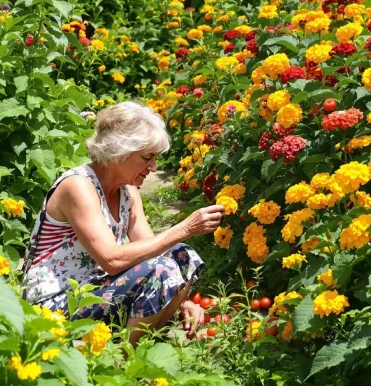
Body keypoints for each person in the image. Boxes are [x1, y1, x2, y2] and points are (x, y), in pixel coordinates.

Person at [22, 101, 223, 343]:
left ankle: (139, 343)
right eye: (147, 157)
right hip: (56, 303)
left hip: (96, 291)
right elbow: (111, 260)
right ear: (119, 152)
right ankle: (123, 357)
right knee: (162, 270)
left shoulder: (127, 191)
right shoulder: (78, 186)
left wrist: (183, 301)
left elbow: (153, 248)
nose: (153, 167)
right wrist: (185, 228)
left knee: (181, 256)